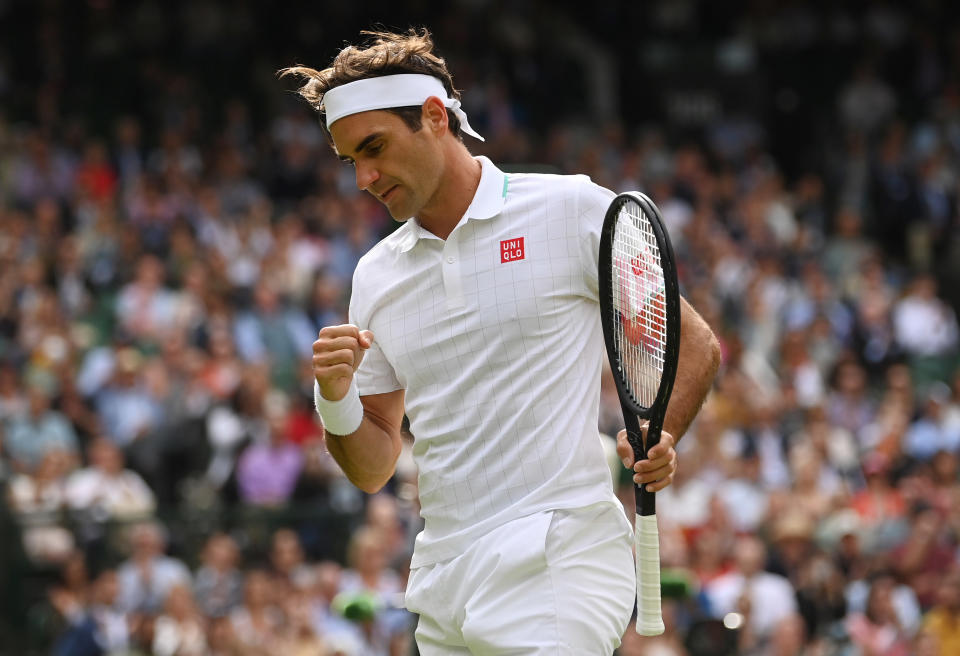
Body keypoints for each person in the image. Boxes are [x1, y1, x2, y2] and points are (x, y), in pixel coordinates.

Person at [283, 28, 721, 654]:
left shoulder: (569, 209)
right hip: (443, 583)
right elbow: (373, 465)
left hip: (562, 554)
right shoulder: (374, 276)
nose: (364, 178)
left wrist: (663, 431)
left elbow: (695, 344)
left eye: (374, 147)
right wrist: (334, 398)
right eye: (350, 159)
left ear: (435, 118)